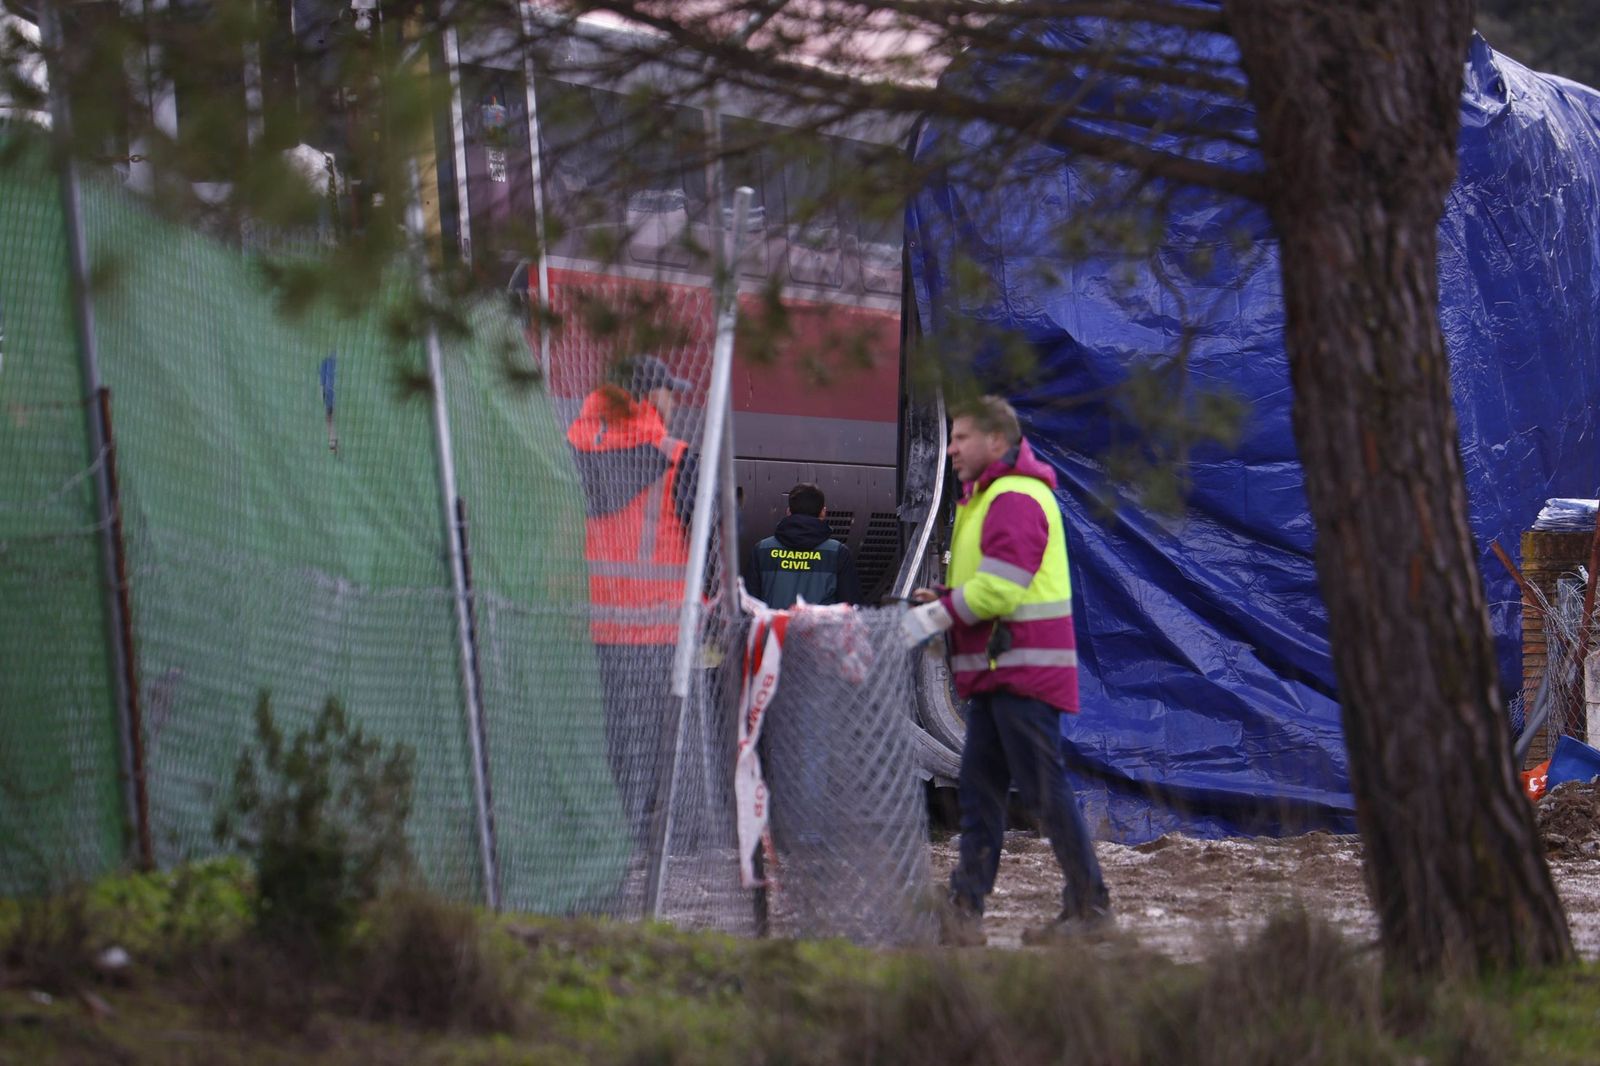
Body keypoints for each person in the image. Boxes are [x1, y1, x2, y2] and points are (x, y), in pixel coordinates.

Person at [901, 395, 1109, 946]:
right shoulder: (992, 496)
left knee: (1040, 791)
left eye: (960, 438)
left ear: (996, 442)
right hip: (1002, 674)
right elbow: (995, 581)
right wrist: (949, 596)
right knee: (981, 792)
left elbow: (1001, 587)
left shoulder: (1013, 498)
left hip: (1019, 673)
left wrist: (933, 614)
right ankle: (964, 913)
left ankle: (1090, 909)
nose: (950, 449)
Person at [567, 353, 695, 849]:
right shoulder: (675, 457)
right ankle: (652, 845)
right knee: (655, 753)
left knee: (605, 746)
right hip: (658, 634)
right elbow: (706, 550)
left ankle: (605, 839)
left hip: (587, 631)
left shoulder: (565, 454)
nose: (673, 400)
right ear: (647, 395)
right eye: (667, 390)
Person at [749, 483, 862, 608]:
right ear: (823, 512)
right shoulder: (838, 553)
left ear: (788, 511)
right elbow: (850, 607)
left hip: (775, 627)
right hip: (820, 627)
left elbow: (749, 604)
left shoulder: (762, 550)